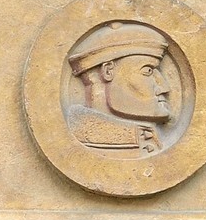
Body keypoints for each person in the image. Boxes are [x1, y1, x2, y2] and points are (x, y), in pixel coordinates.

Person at [65, 20, 179, 152]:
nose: (164, 87)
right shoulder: (86, 141)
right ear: (108, 71)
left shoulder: (145, 136)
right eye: (148, 71)